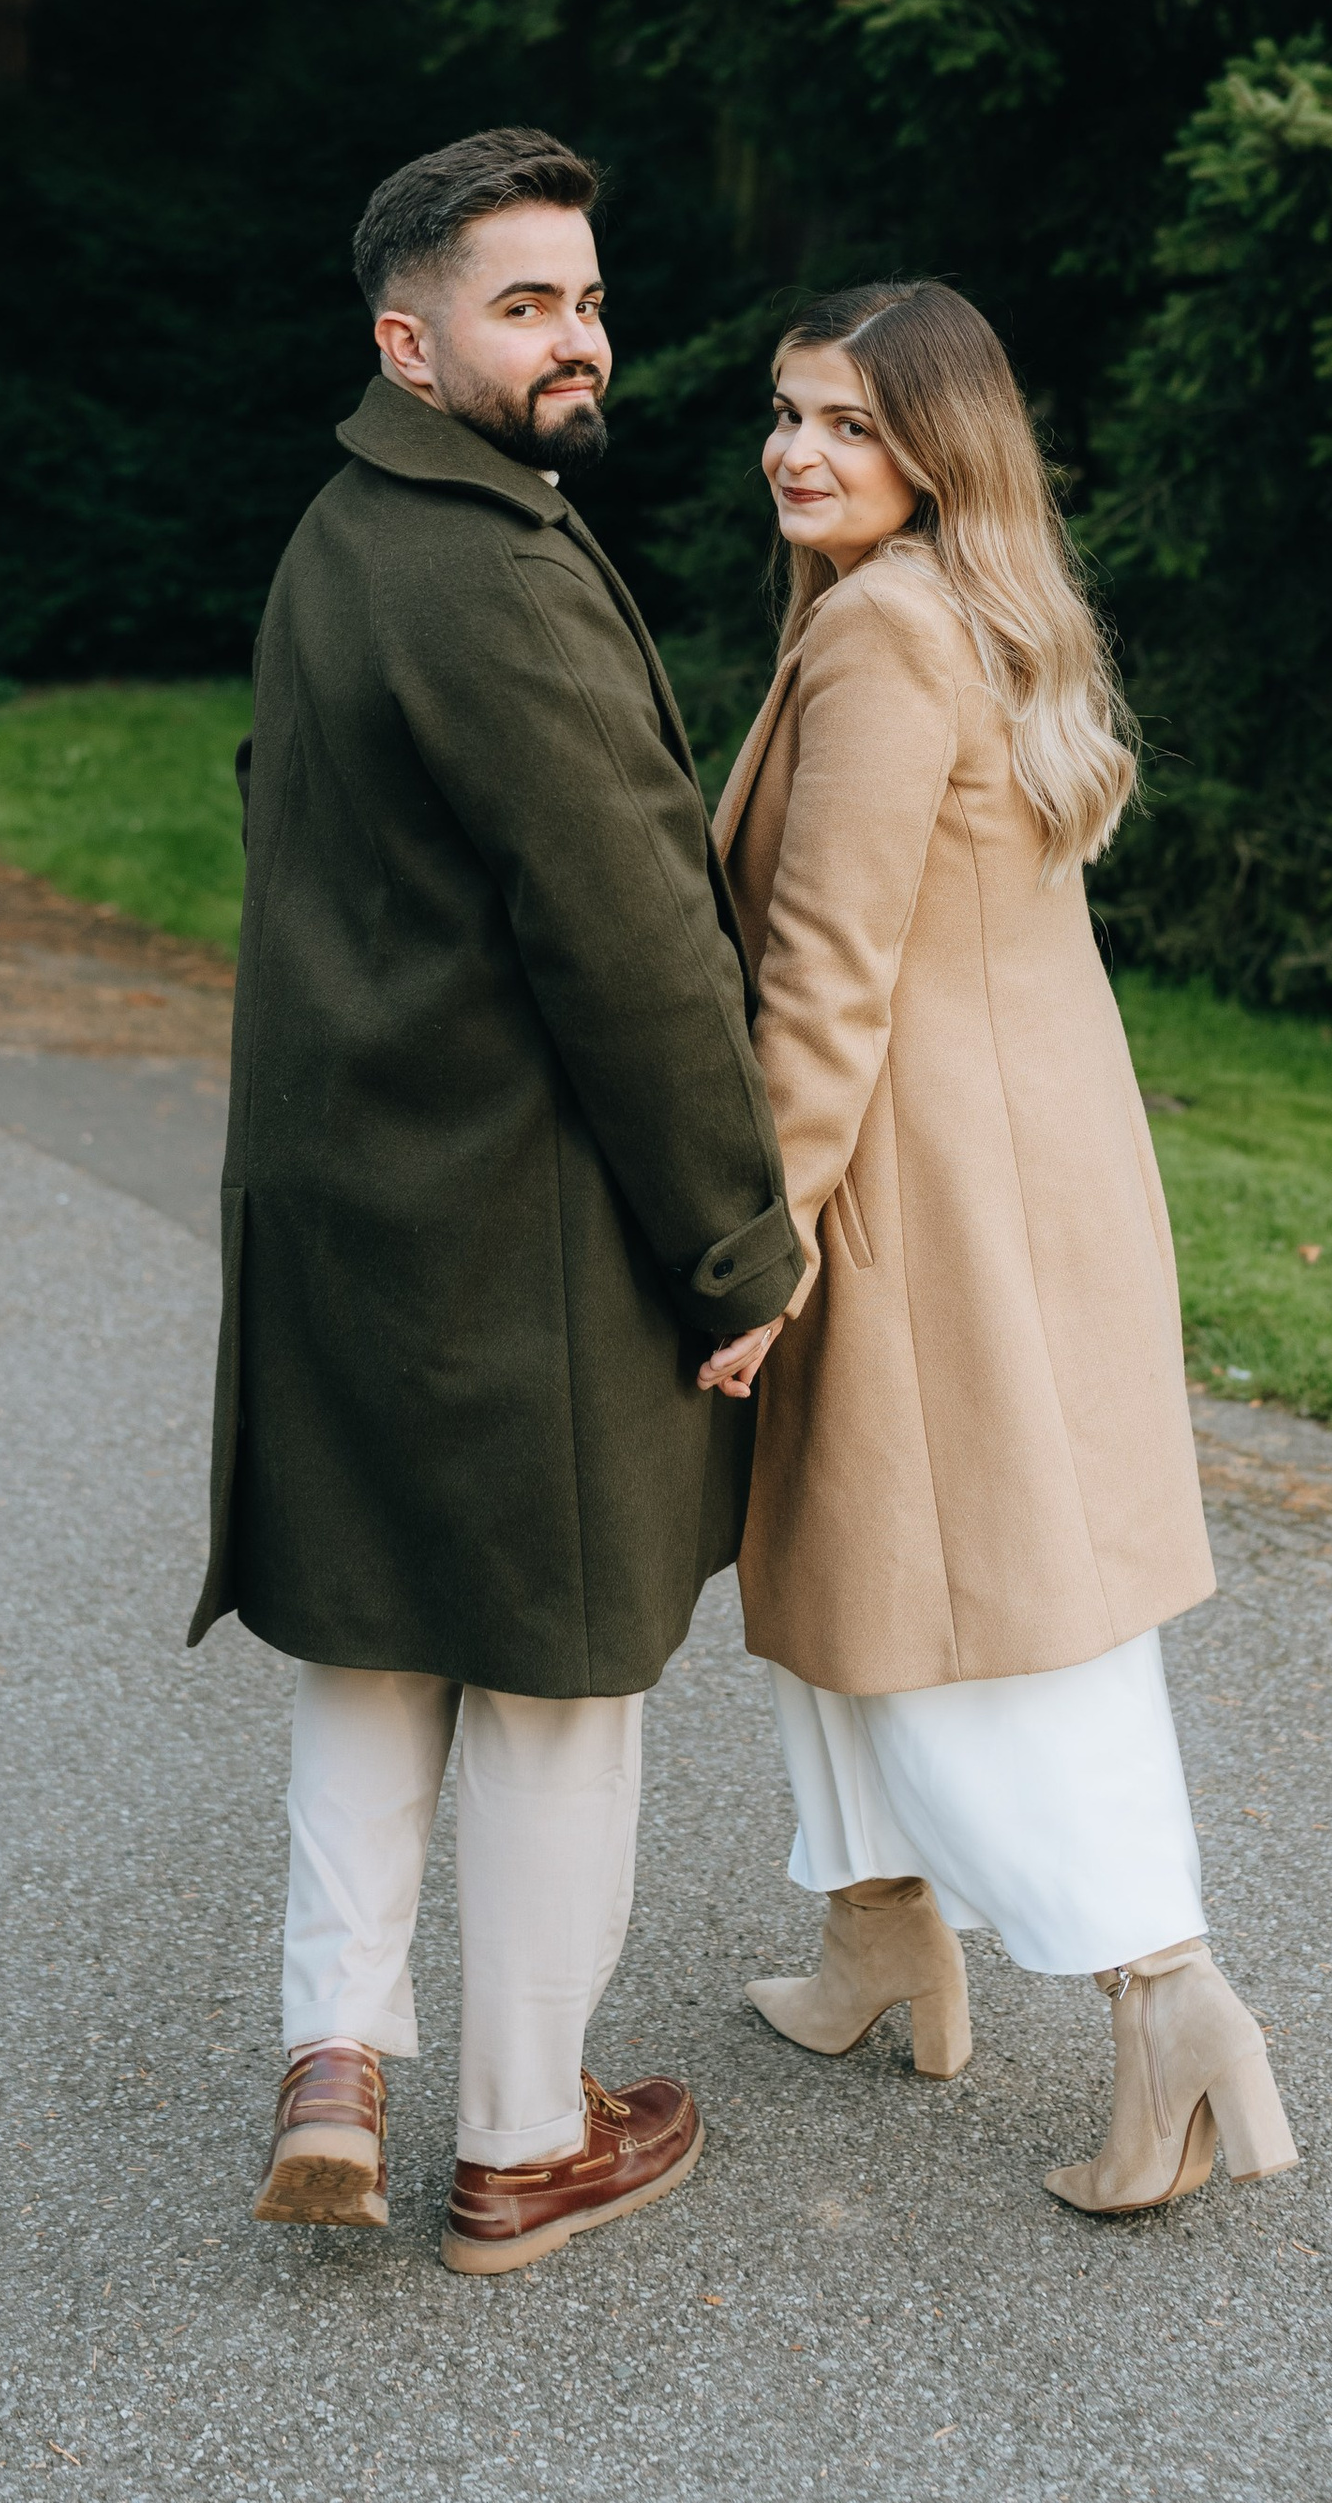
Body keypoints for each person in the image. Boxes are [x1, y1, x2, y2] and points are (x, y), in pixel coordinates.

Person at [188, 129, 803, 2272]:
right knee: (553, 1674)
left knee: (368, 1632)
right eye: (524, 303)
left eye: (587, 297)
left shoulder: (345, 535)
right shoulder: (492, 570)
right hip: (516, 1229)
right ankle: (528, 2141)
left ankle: (336, 2056)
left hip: (342, 1206)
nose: (577, 338)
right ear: (409, 336)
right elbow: (630, 938)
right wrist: (737, 1242)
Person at [704, 280, 1297, 2215]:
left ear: (935, 456)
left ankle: (1168, 2002)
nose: (801, 451)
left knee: (964, 1619)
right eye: (789, 412)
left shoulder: (883, 634)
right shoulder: (963, 611)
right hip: (1020, 1182)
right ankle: (883, 1939)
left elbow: (824, 981)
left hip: (919, 1204)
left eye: (851, 427)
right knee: (848, 1569)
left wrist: (758, 1243)